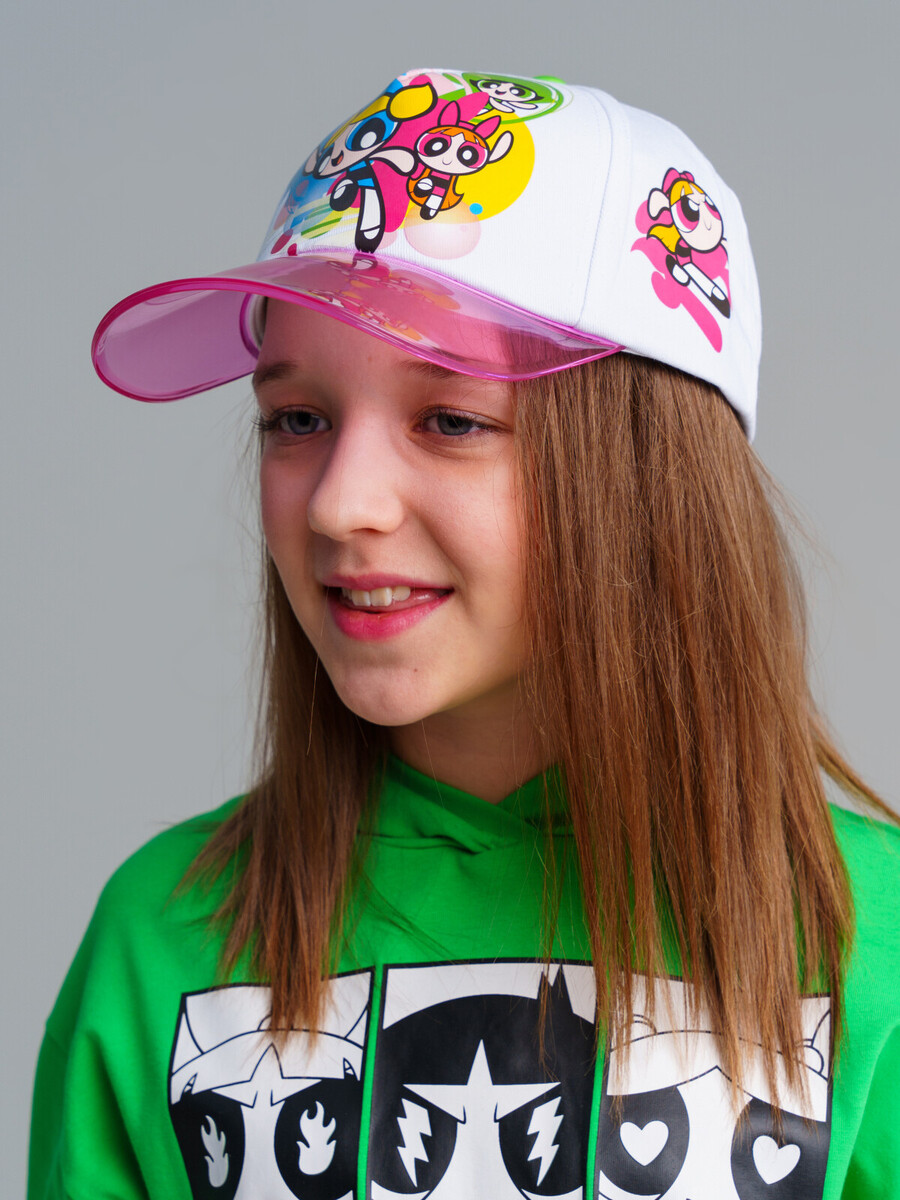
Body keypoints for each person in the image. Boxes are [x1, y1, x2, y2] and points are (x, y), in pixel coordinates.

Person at [29, 68, 900, 1200]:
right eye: (297, 418)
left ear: (649, 477)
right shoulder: (164, 933)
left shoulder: (868, 936)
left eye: (450, 419)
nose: (340, 504)